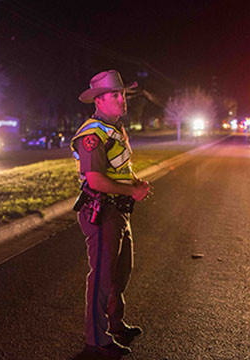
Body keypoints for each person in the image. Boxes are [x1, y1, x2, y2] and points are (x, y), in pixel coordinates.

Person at [71, 70, 151, 358]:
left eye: (123, 93)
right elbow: (94, 180)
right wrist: (131, 191)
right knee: (102, 278)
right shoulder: (92, 134)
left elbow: (119, 167)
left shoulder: (114, 127)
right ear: (99, 101)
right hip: (101, 211)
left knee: (120, 273)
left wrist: (134, 182)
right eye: (115, 95)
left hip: (118, 211)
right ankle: (96, 340)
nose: (122, 99)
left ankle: (115, 325)